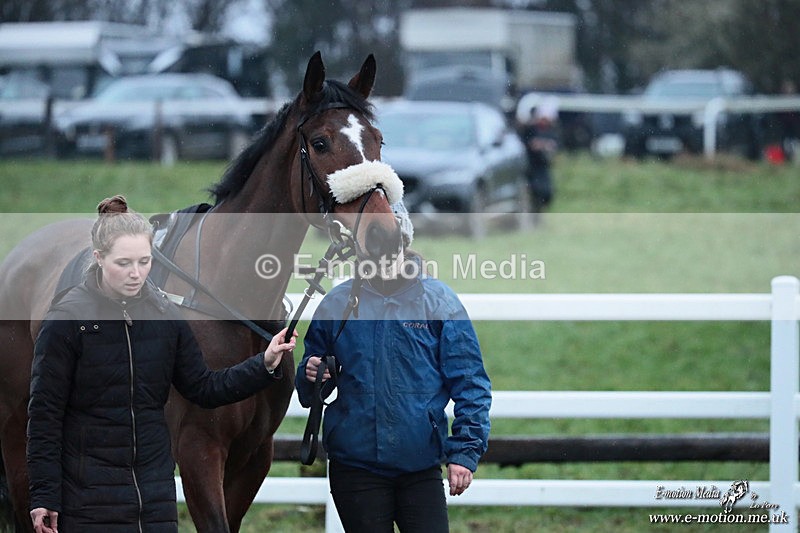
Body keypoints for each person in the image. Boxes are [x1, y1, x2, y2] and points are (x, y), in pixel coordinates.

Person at [27, 195, 296, 533]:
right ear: (98, 258)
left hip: (154, 504)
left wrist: (265, 363)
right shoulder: (66, 320)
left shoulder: (166, 314)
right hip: (88, 502)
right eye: (124, 263)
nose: (136, 274)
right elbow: (45, 416)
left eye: (144, 261)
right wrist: (44, 495)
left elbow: (204, 387)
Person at [295, 204, 491, 533]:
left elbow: (471, 385)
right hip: (355, 466)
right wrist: (312, 374)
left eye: (389, 243)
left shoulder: (439, 303)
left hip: (420, 466)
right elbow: (309, 389)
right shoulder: (337, 304)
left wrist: (464, 452)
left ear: (404, 241)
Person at [520, 96, 560, 211]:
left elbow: (556, 144)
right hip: (530, 166)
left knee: (546, 192)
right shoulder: (530, 129)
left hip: (543, 166)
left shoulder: (552, 130)